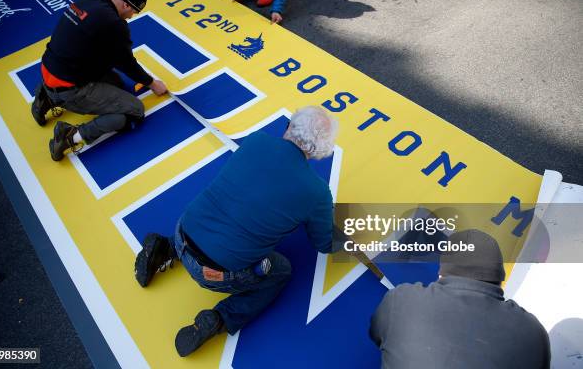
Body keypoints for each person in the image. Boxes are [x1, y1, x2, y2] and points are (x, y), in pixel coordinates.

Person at [134, 106, 339, 357]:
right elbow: (325, 243)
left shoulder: (256, 141)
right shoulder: (317, 192)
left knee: (223, 216)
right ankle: (220, 318)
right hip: (213, 272)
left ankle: (164, 247)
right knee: (281, 270)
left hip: (182, 231)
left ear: (289, 126)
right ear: (319, 152)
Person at [31, 0, 169, 161]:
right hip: (70, 89)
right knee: (132, 111)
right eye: (134, 11)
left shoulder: (88, 0)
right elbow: (125, 62)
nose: (131, 17)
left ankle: (46, 96)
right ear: (127, 5)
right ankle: (70, 136)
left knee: (117, 83)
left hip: (50, 69)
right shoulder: (114, 23)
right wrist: (152, 83)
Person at [369, 229, 551, 369]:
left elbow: (377, 336)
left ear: (441, 273)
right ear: (499, 278)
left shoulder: (401, 300)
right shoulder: (533, 332)